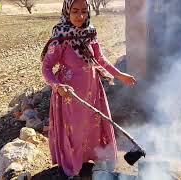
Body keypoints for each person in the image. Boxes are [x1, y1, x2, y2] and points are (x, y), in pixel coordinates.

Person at [41, 0, 136, 178]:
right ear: (67, 11)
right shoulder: (61, 35)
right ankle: (72, 169)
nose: (80, 16)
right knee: (75, 132)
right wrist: (57, 86)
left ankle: (92, 159)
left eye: (84, 11)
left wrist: (120, 75)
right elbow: (46, 68)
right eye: (75, 11)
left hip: (93, 89)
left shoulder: (90, 32)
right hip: (70, 94)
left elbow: (100, 59)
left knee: (93, 127)